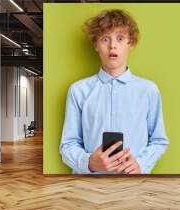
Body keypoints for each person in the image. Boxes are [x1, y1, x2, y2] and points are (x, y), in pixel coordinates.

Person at [60, 9, 169, 174]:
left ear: (130, 43)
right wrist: (89, 163)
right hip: (90, 186)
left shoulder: (148, 90)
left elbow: (159, 140)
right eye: (105, 39)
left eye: (120, 38)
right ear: (96, 45)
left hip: (133, 185)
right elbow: (68, 145)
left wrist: (141, 163)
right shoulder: (78, 91)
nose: (112, 45)